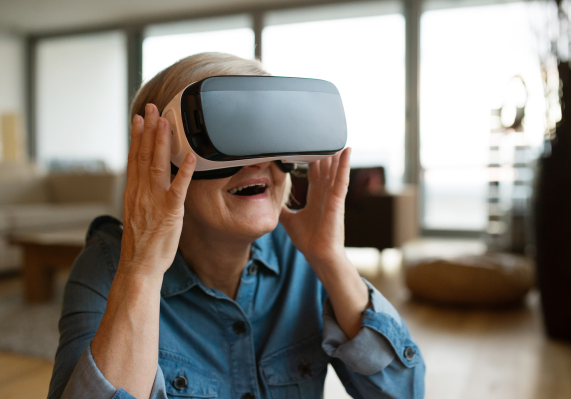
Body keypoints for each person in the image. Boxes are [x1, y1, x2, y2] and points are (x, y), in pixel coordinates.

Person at [47, 52, 425, 399]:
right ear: (160, 165)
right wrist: (141, 271)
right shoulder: (109, 266)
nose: (257, 163)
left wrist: (330, 260)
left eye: (268, 138)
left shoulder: (302, 260)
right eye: (229, 136)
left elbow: (404, 392)